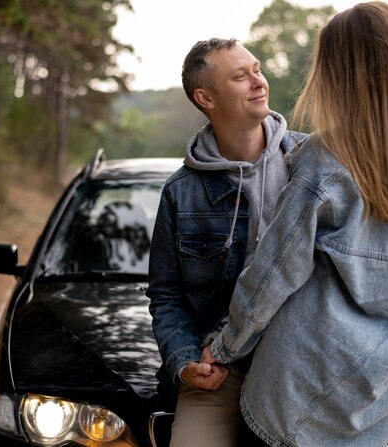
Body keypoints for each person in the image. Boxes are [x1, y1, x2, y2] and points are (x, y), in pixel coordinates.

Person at [201, 3, 388, 446]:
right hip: (374, 413)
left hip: (288, 406)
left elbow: (272, 274)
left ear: (338, 75)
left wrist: (224, 348)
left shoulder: (325, 159)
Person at [146, 38, 305, 447]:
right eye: (240, 75)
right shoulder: (181, 193)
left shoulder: (310, 163)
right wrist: (183, 362)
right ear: (206, 97)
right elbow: (166, 296)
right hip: (218, 362)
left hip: (302, 359)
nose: (258, 81)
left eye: (257, 68)